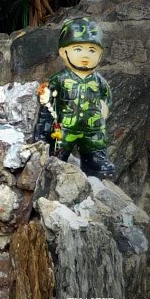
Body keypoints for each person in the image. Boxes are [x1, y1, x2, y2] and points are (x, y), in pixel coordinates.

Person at [34, 17, 115, 178]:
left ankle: (95, 160)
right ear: (63, 52)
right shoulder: (60, 79)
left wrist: (105, 106)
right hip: (65, 127)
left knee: (95, 144)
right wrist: (45, 99)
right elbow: (47, 103)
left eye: (92, 50)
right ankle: (56, 159)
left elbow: (107, 97)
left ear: (100, 55)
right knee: (57, 150)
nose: (86, 55)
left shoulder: (99, 81)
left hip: (93, 128)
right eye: (78, 49)